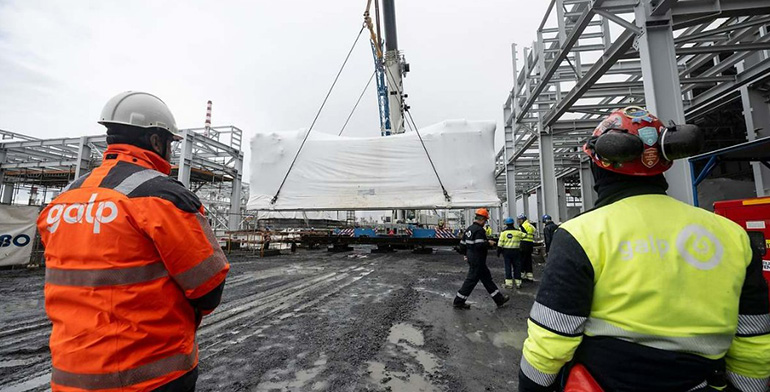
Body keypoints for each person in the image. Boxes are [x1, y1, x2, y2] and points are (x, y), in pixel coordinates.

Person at [519, 107, 770, 392]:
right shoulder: (732, 235)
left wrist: (530, 387)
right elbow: (753, 337)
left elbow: (551, 339)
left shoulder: (582, 234)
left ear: (599, 166)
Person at [38, 91, 230, 392]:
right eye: (170, 144)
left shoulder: (63, 200)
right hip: (151, 376)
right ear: (156, 141)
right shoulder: (163, 198)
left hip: (70, 376)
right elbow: (209, 289)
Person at [453, 208, 510, 309]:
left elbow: (462, 245)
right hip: (478, 260)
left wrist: (466, 254)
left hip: (473, 259)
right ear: (482, 219)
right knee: (471, 281)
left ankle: (499, 299)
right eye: (485, 220)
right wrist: (489, 243)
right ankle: (458, 301)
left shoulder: (469, 229)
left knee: (487, 279)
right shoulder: (479, 230)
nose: (485, 223)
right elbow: (479, 245)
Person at [497, 217, 525, 289]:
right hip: (516, 251)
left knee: (508, 266)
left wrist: (498, 252)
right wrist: (521, 226)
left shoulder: (503, 233)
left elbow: (500, 244)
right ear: (513, 223)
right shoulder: (518, 232)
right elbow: (525, 234)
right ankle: (518, 283)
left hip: (506, 252)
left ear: (506, 224)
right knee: (517, 267)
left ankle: (509, 283)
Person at [518, 213, 536, 281]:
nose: (519, 221)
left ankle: (522, 275)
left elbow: (520, 235)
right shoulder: (530, 225)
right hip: (530, 244)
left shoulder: (522, 226)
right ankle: (529, 275)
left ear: (523, 219)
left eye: (520, 220)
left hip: (523, 244)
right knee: (528, 260)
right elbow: (534, 232)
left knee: (522, 260)